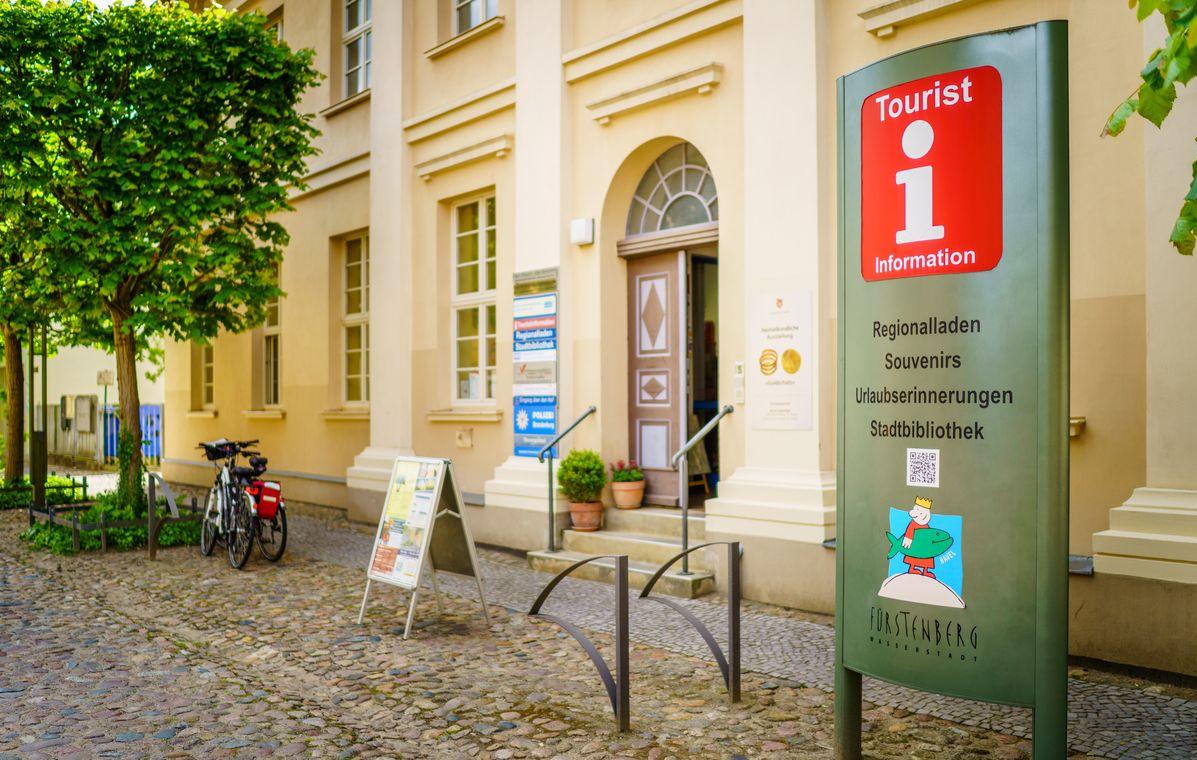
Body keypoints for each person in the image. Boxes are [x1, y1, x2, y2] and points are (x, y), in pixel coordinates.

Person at [901, 495, 937, 578]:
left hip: (925, 547)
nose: (923, 515)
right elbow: (909, 531)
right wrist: (908, 539)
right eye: (920, 513)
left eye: (924, 513)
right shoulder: (913, 524)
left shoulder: (926, 526)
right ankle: (912, 568)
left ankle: (925, 570)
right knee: (914, 555)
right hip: (915, 546)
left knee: (927, 556)